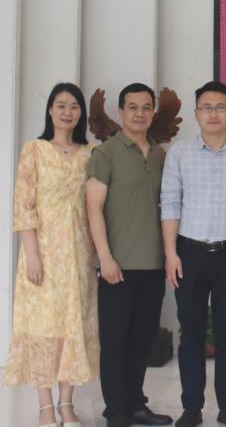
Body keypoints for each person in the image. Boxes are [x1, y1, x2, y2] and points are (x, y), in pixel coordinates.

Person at [161, 81, 226, 427]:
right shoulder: (179, 154)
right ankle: (192, 407)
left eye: (220, 107)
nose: (213, 114)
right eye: (206, 107)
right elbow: (170, 204)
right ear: (196, 113)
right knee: (191, 333)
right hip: (189, 253)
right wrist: (170, 253)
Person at [3, 83, 98, 427]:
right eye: (61, 105)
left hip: (79, 255)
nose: (67, 112)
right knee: (42, 328)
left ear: (81, 113)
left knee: (74, 325)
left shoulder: (91, 153)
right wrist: (32, 255)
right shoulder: (35, 150)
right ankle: (45, 406)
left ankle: (67, 404)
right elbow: (24, 206)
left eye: (74, 106)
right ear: (50, 110)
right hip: (42, 252)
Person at [86, 83, 172, 427]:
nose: (140, 113)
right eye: (133, 107)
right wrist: (105, 258)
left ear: (153, 112)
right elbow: (93, 209)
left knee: (142, 341)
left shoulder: (161, 155)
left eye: (146, 107)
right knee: (115, 342)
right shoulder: (105, 153)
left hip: (154, 265)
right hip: (117, 266)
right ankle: (117, 411)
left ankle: (136, 404)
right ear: (121, 112)